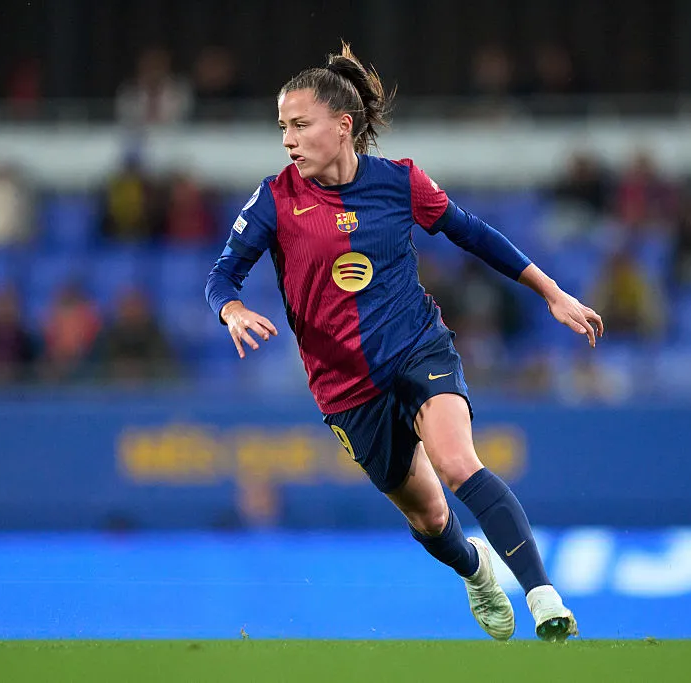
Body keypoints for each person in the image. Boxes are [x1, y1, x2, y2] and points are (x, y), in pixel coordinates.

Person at [204, 42, 604, 643]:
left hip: (417, 348)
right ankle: (476, 570)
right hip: (345, 387)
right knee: (431, 516)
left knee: (458, 463)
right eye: (282, 127)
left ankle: (543, 597)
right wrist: (231, 309)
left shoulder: (399, 182)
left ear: (343, 126)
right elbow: (221, 275)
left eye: (300, 125)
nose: (288, 140)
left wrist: (551, 292)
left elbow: (473, 233)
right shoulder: (275, 198)